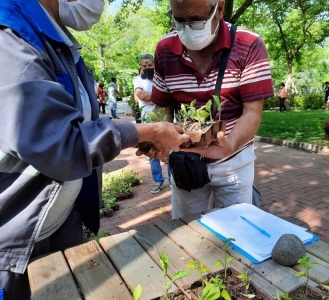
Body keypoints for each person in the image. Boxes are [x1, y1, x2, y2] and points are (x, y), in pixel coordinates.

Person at [0, 0, 189, 299]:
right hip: (15, 244)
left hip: (60, 222)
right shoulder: (9, 38)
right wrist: (147, 130)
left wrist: (134, 135)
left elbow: (79, 121)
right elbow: (60, 144)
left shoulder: (56, 44)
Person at [151, 0, 274, 219]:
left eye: (196, 21)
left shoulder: (249, 44)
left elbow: (252, 112)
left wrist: (230, 145)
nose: (187, 29)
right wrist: (158, 138)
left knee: (236, 230)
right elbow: (163, 106)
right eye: (179, 21)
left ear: (219, 8)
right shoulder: (164, 48)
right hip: (185, 161)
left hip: (233, 160)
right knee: (187, 230)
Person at [134, 54, 171, 193]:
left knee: (169, 150)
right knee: (152, 153)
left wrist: (158, 97)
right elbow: (142, 96)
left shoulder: (162, 79)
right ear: (141, 67)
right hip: (147, 123)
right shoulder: (138, 80)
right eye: (144, 66)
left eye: (149, 65)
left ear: (155, 64)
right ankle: (158, 181)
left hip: (164, 121)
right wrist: (162, 97)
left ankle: (173, 180)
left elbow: (170, 96)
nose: (147, 67)